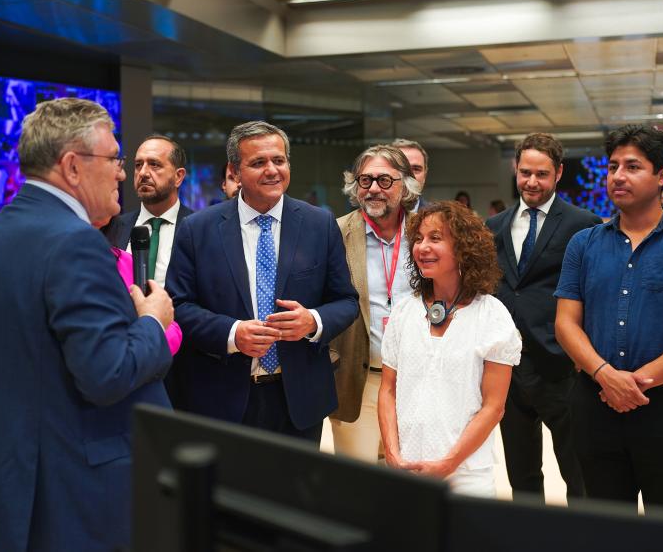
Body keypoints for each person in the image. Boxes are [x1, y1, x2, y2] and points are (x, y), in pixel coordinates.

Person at [0, 98, 176, 552]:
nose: (122, 173)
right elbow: (107, 374)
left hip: (18, 482)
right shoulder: (74, 243)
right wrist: (153, 322)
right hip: (73, 490)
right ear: (73, 167)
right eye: (115, 158)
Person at [555, 124, 663, 515]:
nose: (618, 176)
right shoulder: (583, 244)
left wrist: (635, 383)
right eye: (613, 166)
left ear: (662, 176)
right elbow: (566, 323)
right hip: (593, 403)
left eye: (633, 166)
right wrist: (605, 376)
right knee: (604, 523)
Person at [166, 121, 359, 443]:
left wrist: (312, 320)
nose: (272, 170)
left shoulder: (319, 224)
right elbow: (178, 306)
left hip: (299, 399)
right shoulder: (198, 229)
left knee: (294, 494)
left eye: (279, 160)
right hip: (222, 399)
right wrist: (232, 334)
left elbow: (345, 300)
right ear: (235, 171)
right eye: (258, 163)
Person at [378, 202, 522, 496]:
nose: (422, 247)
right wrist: (392, 455)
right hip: (407, 469)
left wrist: (448, 463)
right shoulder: (404, 312)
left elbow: (494, 407)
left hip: (466, 474)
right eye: (418, 239)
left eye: (435, 238)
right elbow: (388, 390)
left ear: (463, 248)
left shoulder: (492, 316)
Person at [486, 132, 600, 504]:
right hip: (509, 368)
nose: (532, 182)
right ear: (515, 170)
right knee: (522, 473)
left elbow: (595, 293)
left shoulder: (584, 225)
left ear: (559, 173)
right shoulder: (495, 226)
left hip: (563, 366)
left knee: (578, 471)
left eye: (541, 174)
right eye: (525, 173)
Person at [329, 145, 421, 462]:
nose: (373, 189)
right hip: (358, 379)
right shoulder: (335, 233)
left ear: (406, 185)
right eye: (365, 181)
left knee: (411, 481)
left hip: (418, 381)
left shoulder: (427, 232)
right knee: (359, 487)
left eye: (384, 180)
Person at [104, 135, 192, 287]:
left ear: (178, 177)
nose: (143, 173)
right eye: (138, 165)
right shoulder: (113, 227)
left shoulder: (198, 228)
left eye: (154, 165)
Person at [393, 138, 429, 210]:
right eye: (401, 167)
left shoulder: (439, 219)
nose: (409, 174)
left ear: (425, 175)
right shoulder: (368, 216)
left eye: (416, 169)